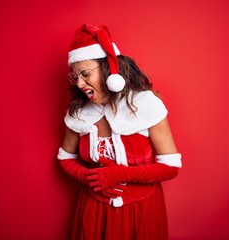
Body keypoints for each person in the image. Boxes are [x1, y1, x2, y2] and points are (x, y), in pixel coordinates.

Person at [57, 23, 182, 240]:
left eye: (85, 74)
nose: (79, 83)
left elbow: (170, 167)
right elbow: (65, 158)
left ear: (109, 69)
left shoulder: (145, 104)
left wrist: (121, 174)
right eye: (75, 77)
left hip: (140, 211)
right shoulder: (79, 113)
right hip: (94, 210)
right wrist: (89, 177)